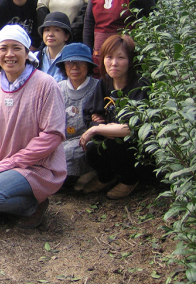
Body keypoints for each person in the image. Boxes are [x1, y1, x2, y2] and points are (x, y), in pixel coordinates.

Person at [0, 25, 66, 229]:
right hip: (3, 162)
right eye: (3, 48)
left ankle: (33, 205)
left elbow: (52, 135)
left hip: (37, 166)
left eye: (16, 48)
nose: (9, 54)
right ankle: (5, 199)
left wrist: (12, 162)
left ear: (27, 53)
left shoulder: (46, 84)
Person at [80, 35, 148, 199]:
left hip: (135, 145)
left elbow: (132, 128)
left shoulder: (140, 85)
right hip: (110, 136)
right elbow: (91, 113)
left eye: (121, 58)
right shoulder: (105, 83)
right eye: (109, 57)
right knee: (91, 148)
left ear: (131, 61)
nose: (114, 63)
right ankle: (106, 177)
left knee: (117, 144)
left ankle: (129, 180)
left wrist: (100, 127)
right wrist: (97, 124)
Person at [55, 43, 99, 191]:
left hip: (85, 141)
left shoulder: (98, 87)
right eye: (69, 62)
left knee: (67, 153)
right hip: (60, 139)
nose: (74, 67)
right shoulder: (57, 87)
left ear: (88, 66)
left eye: (80, 62)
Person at [35, 12, 73, 82]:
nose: (50, 34)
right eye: (47, 30)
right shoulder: (34, 58)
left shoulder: (72, 59)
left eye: (56, 30)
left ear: (66, 36)